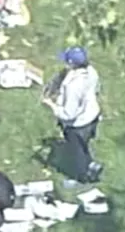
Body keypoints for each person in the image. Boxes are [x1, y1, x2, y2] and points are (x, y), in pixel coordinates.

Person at [43, 46, 102, 184]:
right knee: (83, 145)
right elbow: (96, 90)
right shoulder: (91, 72)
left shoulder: (73, 87)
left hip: (78, 125)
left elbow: (68, 114)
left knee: (77, 152)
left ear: (72, 63)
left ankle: (82, 177)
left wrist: (50, 104)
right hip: (92, 116)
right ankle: (91, 164)